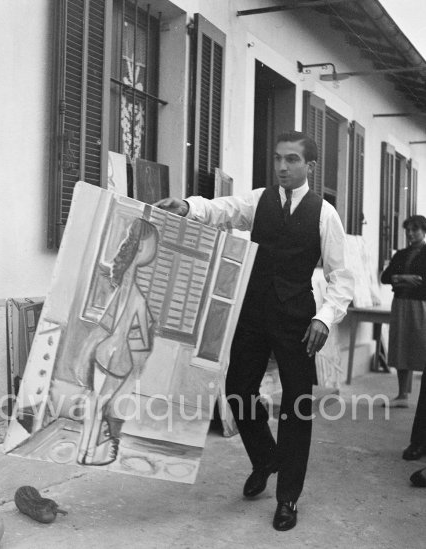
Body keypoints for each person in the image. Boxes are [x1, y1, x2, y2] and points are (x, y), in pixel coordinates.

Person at [155, 130, 353, 531]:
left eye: (292, 159)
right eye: (278, 158)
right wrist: (186, 207)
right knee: (238, 390)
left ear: (309, 166)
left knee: (296, 406)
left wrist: (324, 318)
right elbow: (221, 210)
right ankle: (265, 457)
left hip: (299, 321)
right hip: (252, 313)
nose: (282, 166)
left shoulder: (324, 213)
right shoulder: (259, 199)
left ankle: (288, 499)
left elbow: (342, 278)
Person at [77, 218, 159, 466]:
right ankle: (90, 453)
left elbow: (108, 322)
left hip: (105, 349)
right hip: (118, 355)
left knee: (94, 401)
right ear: (143, 247)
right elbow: (141, 339)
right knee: (100, 403)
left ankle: (86, 451)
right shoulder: (135, 296)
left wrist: (90, 349)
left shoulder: (122, 286)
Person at [380, 215, 426, 413]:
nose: (410, 233)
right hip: (400, 304)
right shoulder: (401, 254)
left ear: (424, 231)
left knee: (421, 346)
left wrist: (401, 280)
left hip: (420, 305)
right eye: (408, 229)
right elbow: (385, 277)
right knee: (400, 346)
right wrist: (403, 278)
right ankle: (402, 395)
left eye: (415, 229)